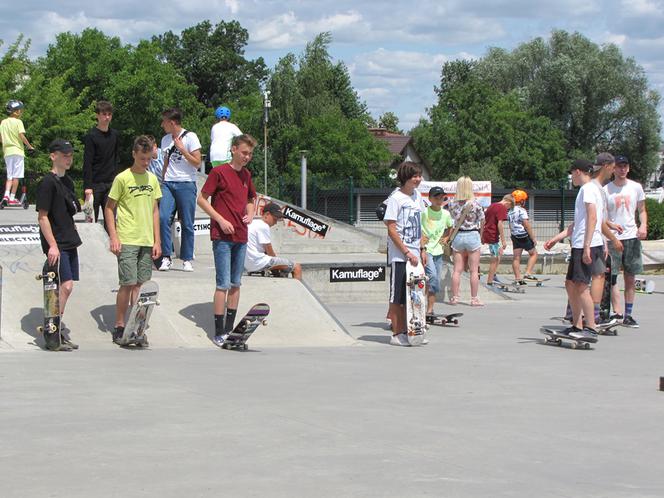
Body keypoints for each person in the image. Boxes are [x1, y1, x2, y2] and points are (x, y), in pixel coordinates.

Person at [197, 134, 257, 347]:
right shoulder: (219, 172)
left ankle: (232, 330)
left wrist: (250, 213)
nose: (247, 157)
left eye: (249, 154)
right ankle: (219, 331)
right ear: (233, 150)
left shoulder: (247, 175)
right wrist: (220, 220)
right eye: (243, 153)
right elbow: (202, 199)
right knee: (223, 283)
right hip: (222, 237)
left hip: (241, 235)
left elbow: (251, 199)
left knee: (236, 283)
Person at [104, 136, 162, 344]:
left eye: (148, 159)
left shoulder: (152, 179)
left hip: (146, 239)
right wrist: (114, 236)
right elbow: (109, 208)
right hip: (127, 237)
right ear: (134, 155)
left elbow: (155, 211)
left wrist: (157, 241)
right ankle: (119, 325)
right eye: (142, 159)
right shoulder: (122, 178)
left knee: (140, 285)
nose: (146, 163)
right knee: (127, 283)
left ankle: (135, 324)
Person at [544, 159, 606, 338]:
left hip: (586, 244)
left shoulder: (587, 189)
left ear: (578, 171)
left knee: (581, 285)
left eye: (572, 173)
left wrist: (586, 246)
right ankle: (577, 325)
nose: (571, 177)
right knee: (570, 283)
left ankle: (591, 327)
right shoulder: (589, 190)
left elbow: (593, 217)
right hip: (580, 243)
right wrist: (556, 238)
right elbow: (577, 224)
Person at [35, 139, 82, 351]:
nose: (68, 158)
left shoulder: (68, 182)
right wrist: (52, 245)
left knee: (69, 286)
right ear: (53, 156)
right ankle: (52, 328)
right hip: (57, 243)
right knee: (66, 286)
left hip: (69, 239)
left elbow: (68, 212)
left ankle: (56, 328)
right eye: (64, 155)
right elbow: (42, 217)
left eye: (70, 155)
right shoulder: (47, 183)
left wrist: (73, 227)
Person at [383, 161, 425, 347]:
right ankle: (396, 333)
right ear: (405, 178)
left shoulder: (417, 197)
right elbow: (391, 229)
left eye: (419, 176)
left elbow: (420, 225)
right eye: (414, 176)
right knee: (398, 297)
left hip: (416, 254)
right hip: (400, 255)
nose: (418, 179)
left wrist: (422, 249)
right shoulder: (396, 198)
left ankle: (412, 332)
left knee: (414, 294)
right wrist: (406, 251)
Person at [604, 155, 647, 328]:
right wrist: (610, 224)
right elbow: (601, 216)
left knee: (630, 276)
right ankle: (617, 312)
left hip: (631, 236)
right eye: (619, 166)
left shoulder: (636, 187)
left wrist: (643, 225)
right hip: (612, 238)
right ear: (613, 169)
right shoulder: (606, 189)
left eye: (625, 166)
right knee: (611, 277)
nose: (622, 169)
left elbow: (642, 210)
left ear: (628, 168)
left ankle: (628, 314)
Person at [158, 107, 202, 272]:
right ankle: (166, 256)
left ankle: (187, 258)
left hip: (186, 183)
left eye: (164, 122)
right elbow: (166, 162)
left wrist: (183, 149)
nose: (162, 125)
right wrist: (162, 180)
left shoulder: (191, 137)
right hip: (169, 183)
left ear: (172, 122)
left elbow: (197, 163)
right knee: (163, 218)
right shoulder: (164, 140)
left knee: (187, 223)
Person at [448, 176, 485, 306]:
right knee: (474, 270)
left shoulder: (452, 203)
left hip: (458, 236)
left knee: (457, 269)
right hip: (473, 235)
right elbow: (482, 221)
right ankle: (474, 298)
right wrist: (481, 236)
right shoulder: (476, 204)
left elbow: (452, 219)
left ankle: (455, 297)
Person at [82, 100, 120, 223]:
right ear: (97, 115)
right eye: (104, 114)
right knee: (91, 220)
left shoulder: (115, 135)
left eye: (109, 114)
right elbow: (87, 162)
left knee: (111, 221)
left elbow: (115, 158)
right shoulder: (91, 136)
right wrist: (87, 186)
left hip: (110, 183)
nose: (107, 117)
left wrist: (116, 180)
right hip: (94, 184)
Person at [245, 202, 303, 279]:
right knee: (296, 267)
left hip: (247, 264)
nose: (275, 223)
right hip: (258, 263)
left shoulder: (253, 223)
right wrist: (277, 265)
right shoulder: (264, 226)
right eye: (275, 219)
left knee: (280, 266)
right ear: (267, 214)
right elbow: (269, 251)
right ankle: (298, 290)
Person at [420, 186, 453, 316]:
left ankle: (430, 309)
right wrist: (421, 236)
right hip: (426, 249)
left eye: (441, 198)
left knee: (435, 280)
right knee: (432, 276)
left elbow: (450, 227)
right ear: (430, 199)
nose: (439, 200)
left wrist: (446, 238)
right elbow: (417, 225)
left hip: (438, 251)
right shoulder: (424, 212)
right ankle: (421, 306)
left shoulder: (446, 214)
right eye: (436, 198)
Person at [1, 100, 34, 205]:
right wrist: (30, 146)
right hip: (17, 151)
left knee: (9, 176)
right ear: (15, 111)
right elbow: (21, 136)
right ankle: (12, 197)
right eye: (20, 110)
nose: (21, 112)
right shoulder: (18, 122)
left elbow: (1, 139)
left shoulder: (3, 122)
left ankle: (6, 195)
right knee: (16, 176)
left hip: (7, 152)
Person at [482, 194, 514, 285]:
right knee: (495, 258)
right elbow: (500, 224)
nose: (508, 209)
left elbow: (484, 220)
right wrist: (504, 240)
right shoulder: (502, 208)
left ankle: (493, 275)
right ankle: (490, 281)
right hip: (492, 235)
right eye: (509, 207)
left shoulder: (492, 205)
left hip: (487, 232)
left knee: (499, 252)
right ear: (508, 202)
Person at [508, 190, 538, 284]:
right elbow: (526, 224)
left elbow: (510, 225)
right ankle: (528, 273)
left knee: (516, 257)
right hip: (523, 235)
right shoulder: (521, 210)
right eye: (524, 200)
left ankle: (518, 278)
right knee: (534, 254)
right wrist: (533, 238)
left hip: (514, 235)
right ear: (521, 201)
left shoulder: (510, 211)